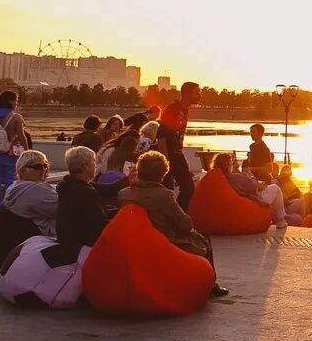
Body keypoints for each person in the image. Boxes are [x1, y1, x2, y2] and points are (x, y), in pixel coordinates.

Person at [119, 152, 227, 297]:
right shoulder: (164, 195)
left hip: (135, 241)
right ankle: (211, 284)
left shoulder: (124, 194)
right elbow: (185, 224)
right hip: (165, 241)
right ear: (163, 174)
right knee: (204, 237)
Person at [155, 81, 200, 210]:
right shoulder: (173, 110)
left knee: (185, 188)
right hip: (170, 155)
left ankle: (175, 217)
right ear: (186, 94)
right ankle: (175, 219)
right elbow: (161, 136)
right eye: (197, 93)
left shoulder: (184, 110)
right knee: (182, 188)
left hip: (176, 153)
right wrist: (166, 160)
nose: (199, 96)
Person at [212, 153, 288, 227]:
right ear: (228, 165)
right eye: (232, 163)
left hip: (233, 207)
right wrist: (251, 177)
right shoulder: (237, 177)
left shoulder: (217, 178)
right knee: (275, 188)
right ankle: (280, 220)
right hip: (251, 201)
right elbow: (253, 189)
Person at [55, 146, 108, 253]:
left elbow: (104, 189)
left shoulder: (68, 185)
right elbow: (99, 223)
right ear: (85, 166)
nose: (95, 166)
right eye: (94, 162)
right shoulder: (84, 192)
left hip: (67, 242)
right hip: (81, 247)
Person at [3, 150, 58, 237]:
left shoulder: (13, 188)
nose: (44, 170)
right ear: (23, 170)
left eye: (45, 166)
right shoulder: (35, 190)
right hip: (47, 240)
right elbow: (66, 209)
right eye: (38, 167)